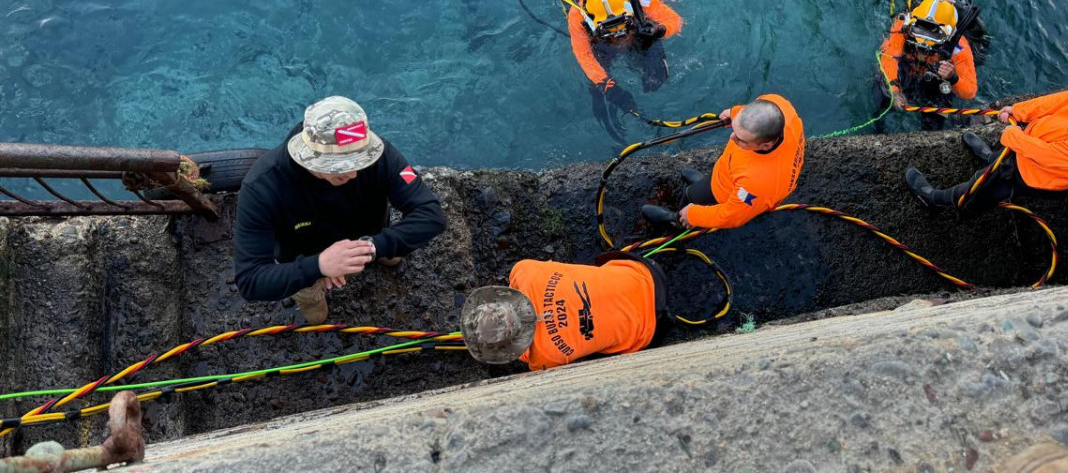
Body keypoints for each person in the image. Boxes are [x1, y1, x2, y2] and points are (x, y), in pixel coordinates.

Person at [234, 96, 447, 324]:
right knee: (316, 316)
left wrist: (373, 247)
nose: (354, 174)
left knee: (393, 252)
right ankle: (310, 295)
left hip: (371, 237)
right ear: (309, 156)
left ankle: (384, 253)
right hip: (304, 257)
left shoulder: (381, 154)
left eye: (360, 161)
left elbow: (431, 215)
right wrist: (318, 266)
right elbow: (250, 280)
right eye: (340, 166)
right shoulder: (261, 186)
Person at [904, 54, 1068, 215]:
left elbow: (1051, 157)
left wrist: (1012, 136)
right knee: (999, 158)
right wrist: (1020, 111)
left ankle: (937, 200)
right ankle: (991, 157)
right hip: (1027, 140)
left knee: (981, 187)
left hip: (1030, 172)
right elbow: (1062, 99)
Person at [460, 253, 667, 370]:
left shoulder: (543, 359)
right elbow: (516, 283)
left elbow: (526, 354)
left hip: (650, 331)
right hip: (646, 273)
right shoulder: (524, 271)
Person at [560, 0, 683, 127]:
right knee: (598, 92)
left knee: (657, 79)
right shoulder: (577, 14)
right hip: (603, 46)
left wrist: (659, 31)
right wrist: (609, 87)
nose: (617, 33)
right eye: (609, 25)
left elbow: (675, 21)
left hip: (639, 36)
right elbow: (584, 55)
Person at [642, 94, 805, 230]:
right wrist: (735, 113)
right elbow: (754, 112)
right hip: (732, 171)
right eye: (734, 129)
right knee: (714, 175)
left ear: (766, 145)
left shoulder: (755, 184)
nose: (732, 138)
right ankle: (709, 181)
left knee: (690, 194)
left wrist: (693, 214)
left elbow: (731, 216)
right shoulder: (779, 105)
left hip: (728, 192)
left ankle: (677, 221)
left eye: (741, 139)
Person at [877, 0, 984, 131]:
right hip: (907, 69)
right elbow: (888, 57)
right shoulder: (902, 25)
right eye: (919, 34)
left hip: (935, 83)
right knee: (881, 96)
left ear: (948, 35)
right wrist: (894, 90)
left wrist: (953, 77)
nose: (923, 44)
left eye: (931, 39)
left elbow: (970, 92)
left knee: (933, 125)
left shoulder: (959, 48)